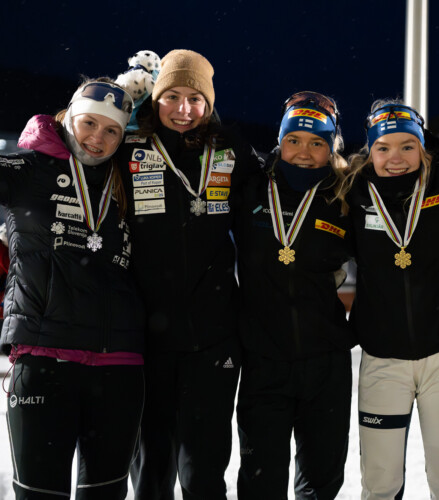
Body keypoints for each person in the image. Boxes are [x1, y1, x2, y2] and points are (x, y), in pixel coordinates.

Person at [116, 49, 260, 499]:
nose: (183, 109)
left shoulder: (230, 151)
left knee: (204, 469)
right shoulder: (128, 146)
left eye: (195, 98)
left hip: (211, 336)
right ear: (153, 100)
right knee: (151, 467)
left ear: (209, 104)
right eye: (171, 96)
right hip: (146, 337)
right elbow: (76, 142)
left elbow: (266, 219)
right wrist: (120, 99)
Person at [0, 79, 145, 499]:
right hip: (46, 361)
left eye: (111, 130)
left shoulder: (129, 179)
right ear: (68, 118)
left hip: (120, 365)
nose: (97, 139)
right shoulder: (26, 170)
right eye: (88, 124)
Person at [336, 100, 439, 499]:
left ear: (423, 148)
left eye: (406, 147)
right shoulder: (354, 194)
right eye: (383, 148)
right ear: (370, 151)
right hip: (383, 360)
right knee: (380, 484)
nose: (394, 158)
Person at [234, 91, 354, 498]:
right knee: (260, 479)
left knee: (321, 481)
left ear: (331, 146)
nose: (304, 151)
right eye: (294, 140)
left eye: (317, 142)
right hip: (263, 361)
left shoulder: (345, 197)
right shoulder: (248, 187)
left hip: (326, 364)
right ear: (280, 141)